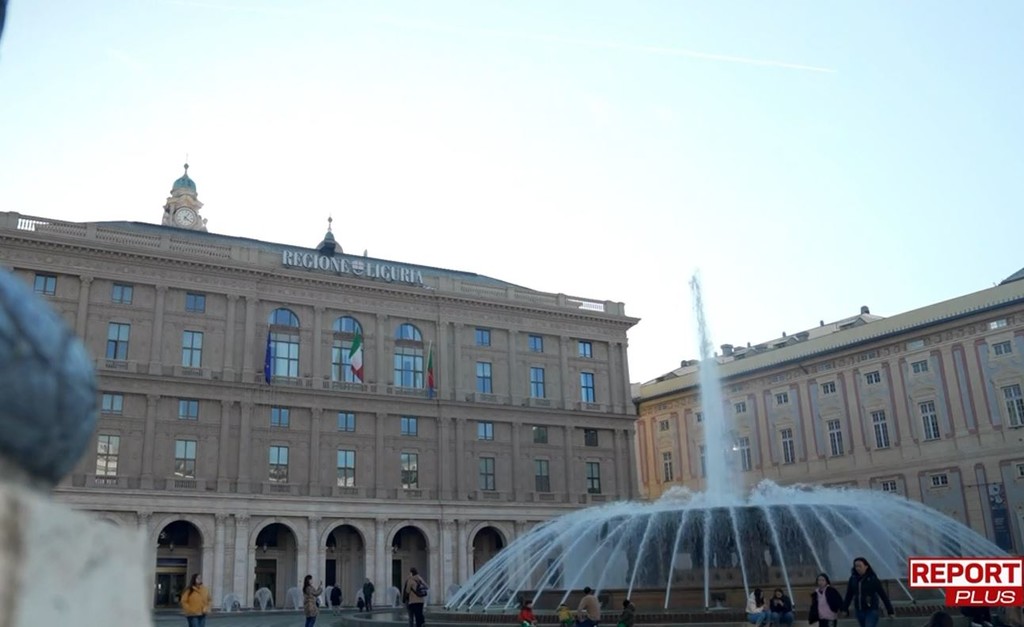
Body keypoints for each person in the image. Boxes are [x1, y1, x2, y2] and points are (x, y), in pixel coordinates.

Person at [842, 557, 895, 627]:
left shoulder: (873, 579)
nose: (857, 568)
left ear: (866, 566)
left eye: (860, 566)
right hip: (859, 610)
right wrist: (845, 609)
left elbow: (883, 595)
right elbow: (849, 595)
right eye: (856, 566)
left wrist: (890, 611)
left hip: (871, 610)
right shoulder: (853, 579)